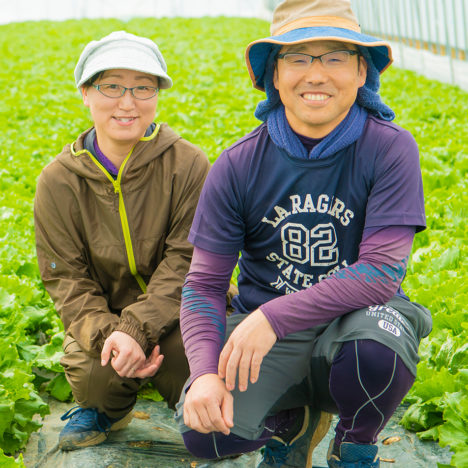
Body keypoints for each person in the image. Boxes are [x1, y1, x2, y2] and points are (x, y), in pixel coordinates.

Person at [175, 1, 432, 467]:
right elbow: (203, 286)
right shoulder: (237, 165)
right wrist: (204, 374)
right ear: (274, 75)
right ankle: (290, 424)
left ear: (361, 72)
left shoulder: (390, 148)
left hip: (357, 321)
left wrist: (272, 316)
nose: (316, 74)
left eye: (334, 57)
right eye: (298, 57)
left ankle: (355, 442)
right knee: (207, 436)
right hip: (270, 340)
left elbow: (380, 272)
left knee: (374, 353)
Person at [34, 30, 210, 451]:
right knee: (94, 382)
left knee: (193, 366)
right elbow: (66, 280)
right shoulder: (58, 181)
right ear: (85, 93)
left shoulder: (188, 164)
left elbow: (187, 260)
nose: (127, 102)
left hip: (182, 311)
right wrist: (112, 334)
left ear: (157, 93)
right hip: (104, 322)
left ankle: (190, 396)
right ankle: (110, 406)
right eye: (111, 86)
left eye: (143, 87)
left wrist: (138, 329)